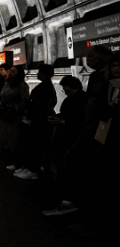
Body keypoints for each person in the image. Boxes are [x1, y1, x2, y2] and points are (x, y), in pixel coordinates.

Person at [43, 75, 87, 216]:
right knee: (63, 167)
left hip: (71, 138)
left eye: (67, 90)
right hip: (65, 137)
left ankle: (68, 200)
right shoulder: (72, 99)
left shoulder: (82, 100)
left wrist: (62, 122)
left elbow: (80, 122)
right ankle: (64, 198)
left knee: (67, 168)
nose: (65, 93)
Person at [15, 64, 57, 179]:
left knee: (35, 146)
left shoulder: (45, 88)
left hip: (39, 121)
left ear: (45, 74)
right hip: (39, 120)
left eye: (39, 72)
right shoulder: (46, 86)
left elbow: (40, 105)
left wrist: (30, 113)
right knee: (35, 146)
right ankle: (33, 167)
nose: (37, 74)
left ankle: (33, 170)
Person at [0, 66, 29, 170]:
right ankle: (8, 156)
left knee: (14, 138)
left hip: (14, 116)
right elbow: (3, 96)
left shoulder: (22, 85)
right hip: (4, 114)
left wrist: (14, 107)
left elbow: (24, 100)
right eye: (10, 71)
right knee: (5, 136)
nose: (10, 72)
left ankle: (16, 162)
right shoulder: (8, 84)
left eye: (13, 71)